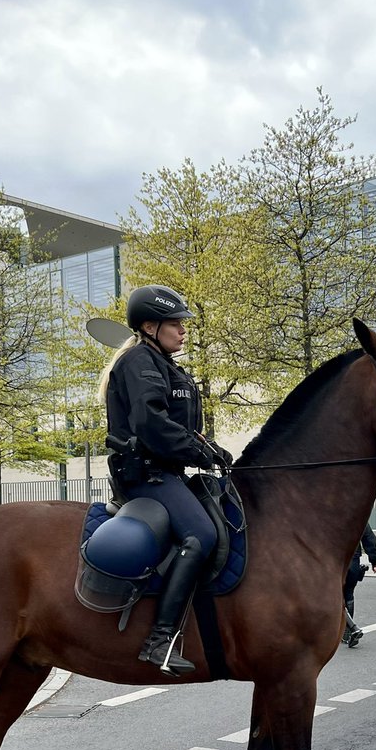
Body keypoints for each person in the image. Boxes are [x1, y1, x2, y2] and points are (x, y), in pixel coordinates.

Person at [100, 284, 230, 677]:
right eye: (176, 323)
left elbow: (182, 426)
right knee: (202, 536)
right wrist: (198, 453)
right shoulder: (139, 361)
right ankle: (160, 640)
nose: (183, 329)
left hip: (168, 470)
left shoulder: (166, 364)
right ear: (150, 326)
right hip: (146, 475)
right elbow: (152, 423)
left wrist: (212, 449)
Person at [342, 526, 376, 649]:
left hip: (337, 559)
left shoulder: (331, 512)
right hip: (354, 561)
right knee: (348, 594)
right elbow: (369, 538)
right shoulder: (357, 514)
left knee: (334, 596)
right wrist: (374, 560)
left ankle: (351, 629)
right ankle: (347, 632)